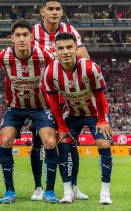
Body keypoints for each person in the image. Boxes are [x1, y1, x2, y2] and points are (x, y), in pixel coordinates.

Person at [30, 0, 90, 201]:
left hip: (65, 97)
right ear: (42, 12)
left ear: (62, 12)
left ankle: (73, 186)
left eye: (58, 8)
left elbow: (85, 59)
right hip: (38, 97)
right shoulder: (32, 32)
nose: (54, 12)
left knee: (68, 142)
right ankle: (38, 187)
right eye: (50, 8)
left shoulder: (70, 31)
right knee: (38, 141)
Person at [43, 32, 113, 205]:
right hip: (72, 114)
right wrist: (62, 127)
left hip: (95, 114)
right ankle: (68, 191)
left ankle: (105, 192)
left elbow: (100, 97)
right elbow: (53, 102)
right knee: (64, 144)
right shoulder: (51, 71)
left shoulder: (90, 68)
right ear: (55, 51)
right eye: (61, 48)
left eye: (69, 47)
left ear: (76, 48)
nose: (65, 51)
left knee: (103, 144)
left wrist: (102, 120)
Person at [0, 19, 59, 204]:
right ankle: (9, 191)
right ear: (11, 38)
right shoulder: (4, 56)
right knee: (5, 140)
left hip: (40, 108)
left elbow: (57, 71)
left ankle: (49, 191)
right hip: (15, 108)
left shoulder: (43, 55)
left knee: (49, 141)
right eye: (18, 35)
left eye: (25, 35)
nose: (22, 39)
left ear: (32, 37)